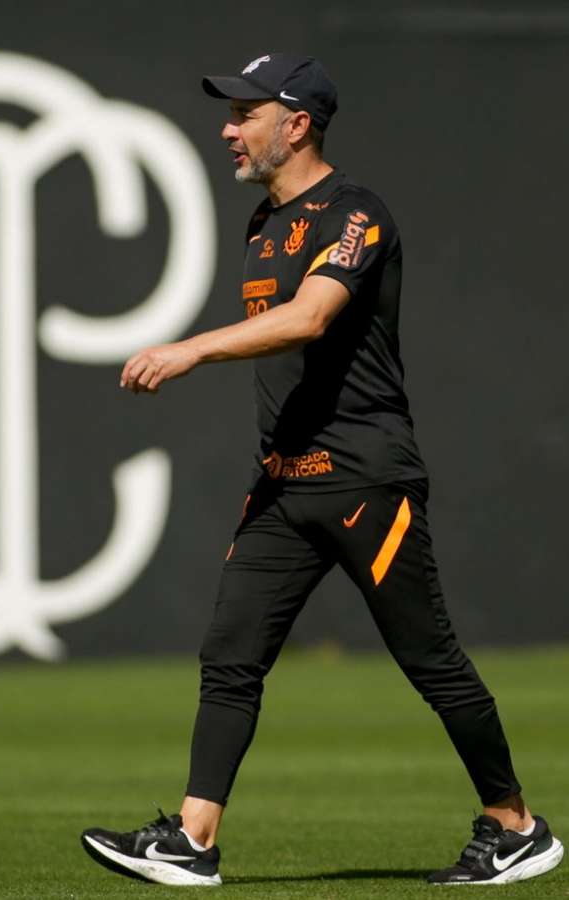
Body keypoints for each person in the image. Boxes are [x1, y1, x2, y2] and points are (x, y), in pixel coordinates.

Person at [80, 52, 563, 888]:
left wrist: (190, 347)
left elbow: (311, 317)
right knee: (229, 655)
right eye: (228, 114)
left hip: (364, 478)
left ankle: (516, 826)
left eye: (245, 114)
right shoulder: (262, 225)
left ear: (296, 123)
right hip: (284, 484)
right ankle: (193, 841)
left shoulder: (356, 213)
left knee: (430, 659)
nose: (228, 130)